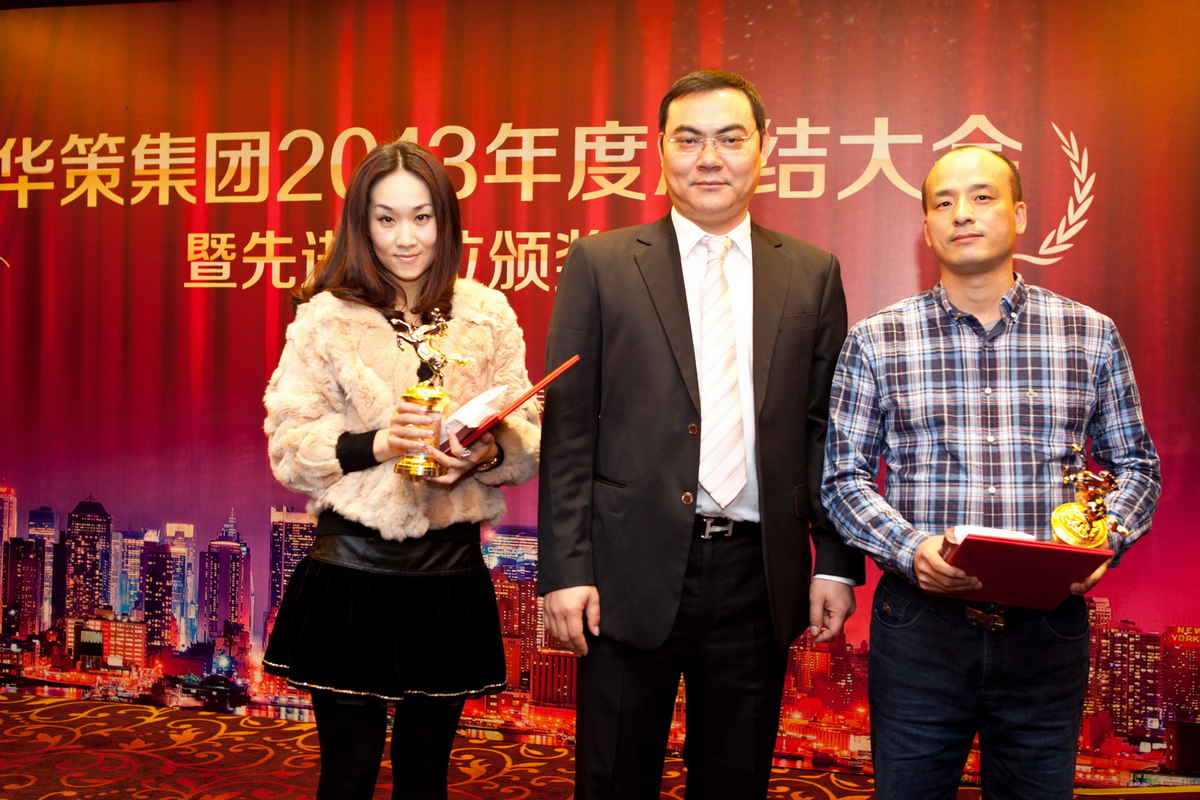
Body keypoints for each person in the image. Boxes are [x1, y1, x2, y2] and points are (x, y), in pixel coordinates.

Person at [538, 69, 864, 800]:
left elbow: (824, 430)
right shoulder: (601, 262)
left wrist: (837, 563)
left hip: (758, 574)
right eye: (687, 140)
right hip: (624, 571)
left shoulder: (811, 273)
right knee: (613, 779)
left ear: (764, 149)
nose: (708, 158)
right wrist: (565, 569)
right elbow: (568, 430)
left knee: (734, 781)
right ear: (660, 151)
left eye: (729, 139)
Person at [822, 145, 1161, 799]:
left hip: (1047, 628)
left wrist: (1103, 538)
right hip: (920, 628)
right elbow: (842, 477)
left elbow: (1136, 467)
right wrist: (910, 549)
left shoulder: (1089, 334)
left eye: (982, 197)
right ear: (926, 227)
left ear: (1021, 214)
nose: (962, 214)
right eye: (943, 202)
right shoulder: (876, 339)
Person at [262, 140, 540, 800]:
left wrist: (483, 455)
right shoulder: (325, 318)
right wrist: (380, 443)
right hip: (352, 569)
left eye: (422, 217)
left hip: (449, 573)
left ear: (445, 221)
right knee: (348, 773)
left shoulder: (486, 313)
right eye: (386, 219)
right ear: (362, 225)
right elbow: (289, 446)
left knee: (426, 774)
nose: (405, 238)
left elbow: (526, 424)